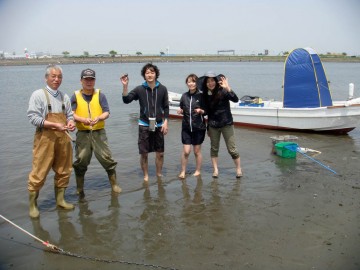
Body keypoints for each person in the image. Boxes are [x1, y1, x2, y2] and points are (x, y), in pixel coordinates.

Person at [27, 64, 75, 218]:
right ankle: (33, 205)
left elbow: (70, 115)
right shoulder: (38, 95)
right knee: (39, 171)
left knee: (64, 169)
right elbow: (33, 118)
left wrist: (71, 123)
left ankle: (60, 200)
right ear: (46, 78)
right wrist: (54, 124)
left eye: (59, 76)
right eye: (53, 76)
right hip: (45, 139)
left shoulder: (64, 97)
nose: (56, 79)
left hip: (63, 138)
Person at [71, 68, 122, 197]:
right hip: (83, 133)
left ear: (94, 81)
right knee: (81, 160)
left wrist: (99, 117)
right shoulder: (75, 96)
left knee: (107, 158)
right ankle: (79, 188)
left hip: (99, 132)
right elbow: (71, 113)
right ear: (81, 81)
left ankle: (114, 184)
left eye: (91, 79)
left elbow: (106, 111)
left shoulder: (100, 95)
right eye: (86, 79)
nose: (89, 82)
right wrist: (83, 120)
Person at [120, 63, 169, 181]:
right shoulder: (139, 89)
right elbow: (126, 100)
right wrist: (125, 86)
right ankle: (146, 176)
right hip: (144, 124)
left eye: (152, 72)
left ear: (156, 74)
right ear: (144, 75)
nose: (150, 75)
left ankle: (158, 174)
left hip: (158, 124)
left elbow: (166, 107)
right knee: (144, 153)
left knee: (160, 153)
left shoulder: (162, 89)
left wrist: (166, 122)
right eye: (147, 73)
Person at [200, 71, 243, 178]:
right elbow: (206, 112)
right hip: (213, 125)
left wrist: (228, 88)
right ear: (205, 83)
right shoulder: (205, 95)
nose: (210, 83)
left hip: (226, 123)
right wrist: (207, 125)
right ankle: (215, 170)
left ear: (216, 81)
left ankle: (238, 169)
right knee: (214, 148)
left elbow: (235, 99)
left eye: (212, 81)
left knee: (232, 149)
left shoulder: (223, 91)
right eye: (208, 81)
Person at [177, 74, 207, 179]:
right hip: (186, 127)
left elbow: (207, 111)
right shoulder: (184, 96)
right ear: (186, 83)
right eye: (189, 81)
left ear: (197, 83)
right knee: (186, 151)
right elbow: (181, 107)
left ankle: (198, 170)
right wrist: (180, 111)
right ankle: (183, 171)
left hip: (198, 127)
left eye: (193, 81)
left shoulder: (201, 96)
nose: (191, 84)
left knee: (196, 151)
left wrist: (201, 111)